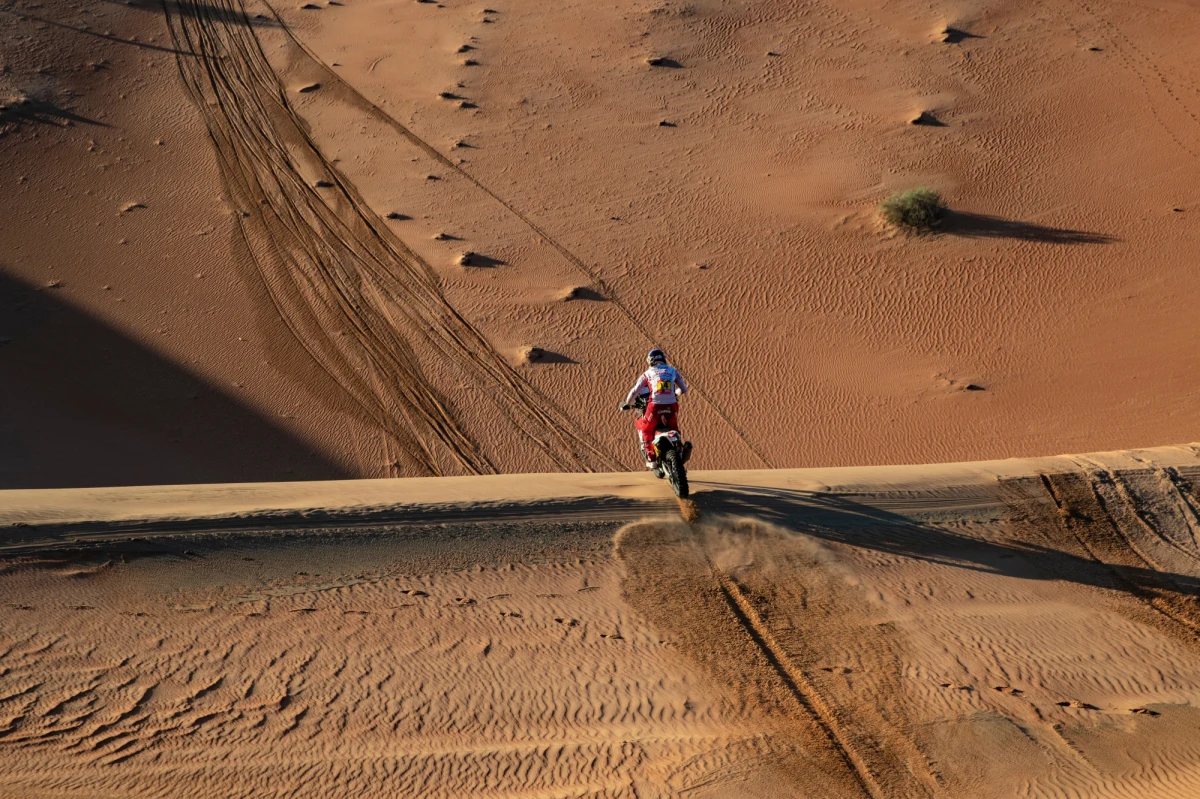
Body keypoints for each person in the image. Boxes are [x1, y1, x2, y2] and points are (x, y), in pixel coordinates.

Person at [620, 348, 688, 469]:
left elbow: (635, 391)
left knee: (646, 429)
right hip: (672, 406)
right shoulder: (673, 371)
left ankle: (651, 458)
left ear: (650, 361)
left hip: (654, 406)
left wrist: (627, 403)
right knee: (674, 427)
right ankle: (680, 449)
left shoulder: (648, 374)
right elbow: (684, 389)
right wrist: (675, 394)